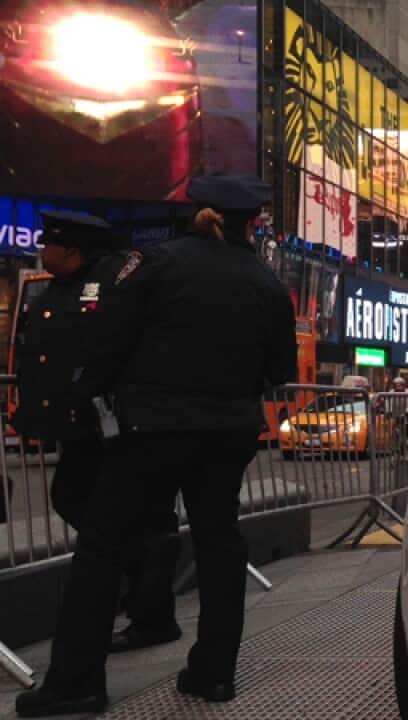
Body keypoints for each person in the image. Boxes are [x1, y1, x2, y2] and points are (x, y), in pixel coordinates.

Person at [16, 175, 298, 718]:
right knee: (220, 546)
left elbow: (107, 345)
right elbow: (280, 370)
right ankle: (213, 675)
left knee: (101, 547)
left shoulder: (153, 264)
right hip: (229, 434)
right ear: (252, 222)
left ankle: (77, 683)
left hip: (151, 431)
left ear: (196, 213)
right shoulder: (265, 283)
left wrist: (89, 397)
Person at [11, 211, 182, 654]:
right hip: (83, 426)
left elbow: (108, 351)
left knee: (113, 517)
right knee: (80, 503)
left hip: (119, 426)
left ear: (72, 249)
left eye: (49, 244)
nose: (41, 251)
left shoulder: (116, 281)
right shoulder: (56, 288)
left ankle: (147, 605)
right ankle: (142, 588)